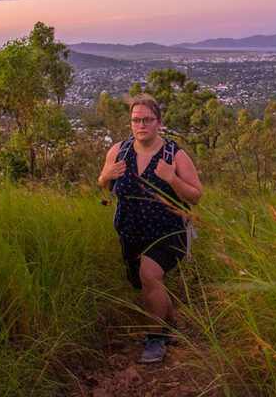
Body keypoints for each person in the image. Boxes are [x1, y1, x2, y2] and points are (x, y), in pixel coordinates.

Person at [98, 93, 203, 364]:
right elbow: (104, 183)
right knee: (147, 282)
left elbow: (195, 195)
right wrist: (106, 176)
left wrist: (172, 179)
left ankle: (155, 339)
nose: (141, 125)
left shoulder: (174, 154)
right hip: (130, 233)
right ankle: (170, 328)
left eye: (147, 119)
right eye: (136, 120)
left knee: (150, 275)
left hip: (168, 232)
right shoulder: (119, 151)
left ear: (159, 122)